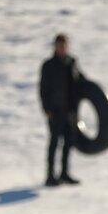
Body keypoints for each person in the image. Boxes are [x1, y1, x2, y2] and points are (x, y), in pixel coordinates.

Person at [39, 33, 85, 187]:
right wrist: (47, 108)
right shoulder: (48, 65)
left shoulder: (72, 62)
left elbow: (80, 80)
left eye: (65, 45)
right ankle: (50, 175)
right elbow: (43, 88)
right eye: (60, 45)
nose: (62, 48)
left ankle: (64, 173)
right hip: (55, 110)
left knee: (68, 143)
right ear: (55, 46)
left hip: (70, 111)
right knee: (54, 143)